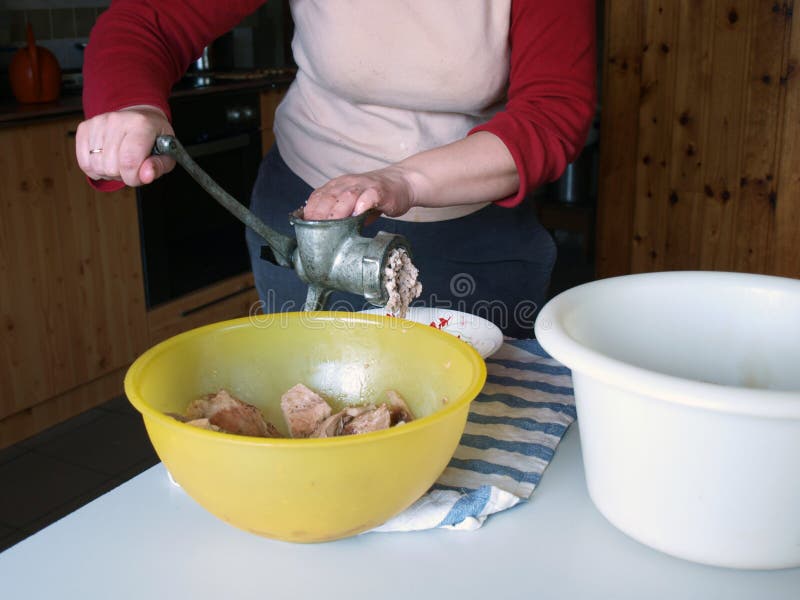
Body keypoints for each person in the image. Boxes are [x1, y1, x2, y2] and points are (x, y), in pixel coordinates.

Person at [77, 0, 596, 338]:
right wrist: (130, 107)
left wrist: (403, 180)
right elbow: (148, 20)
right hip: (308, 219)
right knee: (319, 416)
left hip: (476, 229)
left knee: (477, 426)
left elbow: (552, 110)